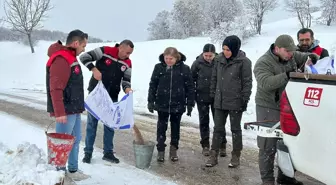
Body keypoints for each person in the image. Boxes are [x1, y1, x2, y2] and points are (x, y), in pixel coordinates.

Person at [253, 34, 318, 185]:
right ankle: (267, 181)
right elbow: (265, 83)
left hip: (288, 106)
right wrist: (287, 75)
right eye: (287, 51)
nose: (291, 54)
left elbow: (308, 56)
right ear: (277, 49)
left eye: (292, 51)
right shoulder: (263, 62)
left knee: (287, 144)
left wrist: (313, 57)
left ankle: (285, 177)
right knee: (267, 145)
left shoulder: (292, 55)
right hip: (268, 106)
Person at [79, 40, 134, 164]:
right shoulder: (105, 51)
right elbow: (84, 57)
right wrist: (93, 69)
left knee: (110, 125)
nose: (128, 56)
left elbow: (126, 80)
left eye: (130, 54)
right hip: (97, 94)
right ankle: (88, 153)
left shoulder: (128, 63)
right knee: (92, 124)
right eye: (127, 53)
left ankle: (108, 153)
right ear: (120, 48)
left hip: (112, 96)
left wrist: (127, 89)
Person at [46, 29, 89, 180]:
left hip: (74, 109)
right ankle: (59, 173)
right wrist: (59, 112)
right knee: (62, 143)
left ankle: (72, 169)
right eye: (83, 46)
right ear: (76, 43)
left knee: (75, 140)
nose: (84, 49)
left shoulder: (71, 57)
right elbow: (56, 88)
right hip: (66, 110)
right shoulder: (62, 59)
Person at [205, 35, 253, 168]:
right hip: (219, 101)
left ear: (235, 49)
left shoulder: (244, 62)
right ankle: (213, 155)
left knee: (235, 129)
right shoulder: (218, 60)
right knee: (217, 129)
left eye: (228, 49)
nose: (225, 52)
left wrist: (244, 99)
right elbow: (214, 78)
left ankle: (236, 155)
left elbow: (247, 83)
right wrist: (213, 94)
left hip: (236, 101)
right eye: (223, 49)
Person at [147, 47, 195, 162]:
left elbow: (190, 87)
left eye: (171, 58)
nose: (168, 61)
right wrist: (150, 100)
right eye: (166, 58)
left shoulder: (184, 69)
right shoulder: (159, 67)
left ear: (176, 58)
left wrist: (190, 104)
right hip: (162, 102)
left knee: (175, 127)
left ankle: (173, 150)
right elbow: (153, 84)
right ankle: (161, 150)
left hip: (178, 103)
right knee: (161, 127)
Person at [191, 44, 226, 157]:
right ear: (203, 53)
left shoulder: (219, 62)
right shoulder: (197, 63)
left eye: (210, 56)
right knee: (204, 122)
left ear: (214, 54)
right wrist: (194, 92)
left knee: (219, 123)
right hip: (202, 97)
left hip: (217, 97)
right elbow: (191, 79)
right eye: (206, 55)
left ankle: (222, 145)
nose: (208, 58)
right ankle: (205, 145)